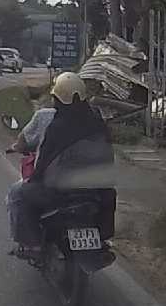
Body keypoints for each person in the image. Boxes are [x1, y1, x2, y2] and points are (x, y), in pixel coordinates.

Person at [6, 72, 114, 256]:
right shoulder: (97, 121)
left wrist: (33, 180)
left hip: (61, 192)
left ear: (58, 99)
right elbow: (108, 152)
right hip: (95, 189)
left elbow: (44, 160)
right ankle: (102, 238)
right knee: (109, 194)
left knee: (17, 194)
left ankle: (31, 244)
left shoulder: (57, 126)